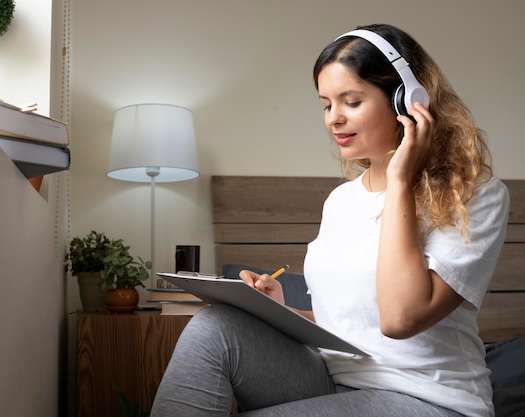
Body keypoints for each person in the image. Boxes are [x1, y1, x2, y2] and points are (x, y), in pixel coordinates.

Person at [151, 23, 508, 417]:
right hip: (332, 377)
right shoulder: (341, 200)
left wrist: (400, 181)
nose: (333, 119)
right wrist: (281, 309)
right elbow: (350, 322)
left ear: (407, 101)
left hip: (426, 397)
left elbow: (399, 318)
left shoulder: (476, 196)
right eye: (326, 104)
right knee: (213, 326)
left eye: (351, 102)